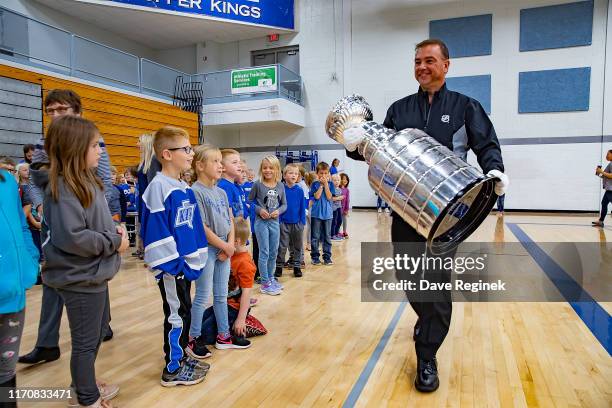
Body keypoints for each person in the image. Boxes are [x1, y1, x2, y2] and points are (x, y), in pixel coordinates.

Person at [342, 38, 508, 392]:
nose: (422, 67)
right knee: (408, 278)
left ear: (446, 65)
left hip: (448, 214)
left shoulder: (466, 107)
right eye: (417, 61)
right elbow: (377, 152)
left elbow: (487, 145)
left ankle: (427, 354)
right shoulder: (400, 110)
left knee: (434, 287)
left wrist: (495, 171)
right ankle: (426, 323)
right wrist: (354, 143)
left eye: (429, 61)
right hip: (404, 210)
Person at [32, 116, 128, 407]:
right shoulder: (62, 189)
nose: (101, 150)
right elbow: (73, 238)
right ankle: (86, 398)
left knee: (97, 332)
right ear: (75, 149)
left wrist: (115, 231)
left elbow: (96, 224)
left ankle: (81, 383)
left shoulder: (87, 182)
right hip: (79, 278)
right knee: (85, 343)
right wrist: (114, 242)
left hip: (93, 274)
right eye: (94, 145)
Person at [20, 89, 115, 367]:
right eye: (50, 111)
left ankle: (102, 325)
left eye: (61, 110)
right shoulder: (44, 142)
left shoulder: (92, 140)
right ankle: (47, 342)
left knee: (96, 274)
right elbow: (38, 181)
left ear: (77, 112)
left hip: (88, 213)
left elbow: (104, 181)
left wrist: (103, 218)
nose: (55, 115)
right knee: (54, 278)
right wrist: (39, 208)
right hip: (57, 214)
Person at [140, 126, 209, 387]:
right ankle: (173, 368)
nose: (192, 153)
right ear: (167, 154)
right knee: (176, 316)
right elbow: (157, 232)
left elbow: (190, 228)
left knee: (185, 312)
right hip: (173, 269)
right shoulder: (158, 188)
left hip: (184, 266)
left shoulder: (182, 186)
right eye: (187, 149)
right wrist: (175, 266)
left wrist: (194, 261)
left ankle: (180, 355)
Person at [189, 144, 250, 359]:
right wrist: (224, 246)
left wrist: (230, 246)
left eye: (219, 161)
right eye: (214, 161)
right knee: (203, 294)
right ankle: (193, 337)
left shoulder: (222, 192)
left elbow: (230, 220)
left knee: (221, 295)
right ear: (199, 165)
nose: (219, 166)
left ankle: (223, 335)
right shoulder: (195, 191)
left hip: (225, 249)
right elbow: (202, 227)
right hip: (208, 250)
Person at [0, 167, 39, 408]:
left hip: (13, 294)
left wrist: (29, 263)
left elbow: (22, 227)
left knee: (6, 368)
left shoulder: (6, 182)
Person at [249, 156, 287, 295]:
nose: (267, 170)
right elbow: (250, 202)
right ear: (261, 169)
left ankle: (271, 278)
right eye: (265, 167)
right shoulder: (257, 184)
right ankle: (264, 282)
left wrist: (278, 211)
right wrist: (259, 210)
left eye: (271, 167)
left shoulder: (280, 185)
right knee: (264, 252)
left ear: (277, 169)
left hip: (274, 222)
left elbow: (284, 204)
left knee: (273, 252)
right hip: (261, 223)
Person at [275, 163, 306, 278]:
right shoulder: (280, 189)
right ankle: (279, 266)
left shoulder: (299, 190)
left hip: (297, 223)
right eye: (291, 173)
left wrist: (302, 221)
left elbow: (302, 207)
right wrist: (279, 221)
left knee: (297, 246)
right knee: (282, 246)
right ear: (284, 175)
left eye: (296, 173)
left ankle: (297, 266)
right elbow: (278, 206)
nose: (294, 175)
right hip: (284, 223)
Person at [309, 162, 335, 266]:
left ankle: (327, 257)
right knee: (315, 236)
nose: (323, 175)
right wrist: (321, 185)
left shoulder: (331, 184)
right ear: (317, 173)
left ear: (328, 173)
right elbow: (317, 197)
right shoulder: (314, 184)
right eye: (321, 173)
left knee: (327, 236)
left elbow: (329, 197)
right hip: (316, 214)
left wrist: (326, 185)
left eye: (325, 173)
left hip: (328, 214)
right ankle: (315, 257)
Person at [218, 149, 244, 218]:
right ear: (223, 167)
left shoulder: (234, 185)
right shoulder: (225, 186)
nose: (239, 165)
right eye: (235, 162)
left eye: (239, 162)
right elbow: (228, 214)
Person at [592, 149, 612, 227]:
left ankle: (601, 221)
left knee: (604, 204)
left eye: (608, 154)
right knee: (604, 204)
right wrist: (599, 173)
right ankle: (601, 221)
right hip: (609, 189)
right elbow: (605, 176)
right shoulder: (610, 164)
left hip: (611, 190)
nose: (606, 156)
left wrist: (602, 172)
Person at [330, 174, 344, 241]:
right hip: (333, 208)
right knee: (334, 221)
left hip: (339, 207)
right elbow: (331, 198)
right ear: (331, 181)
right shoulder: (331, 189)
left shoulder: (340, 189)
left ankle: (336, 233)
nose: (336, 182)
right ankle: (332, 235)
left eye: (338, 180)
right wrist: (339, 198)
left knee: (339, 221)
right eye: (335, 180)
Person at [339, 173, 351, 239]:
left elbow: (347, 200)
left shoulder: (347, 190)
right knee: (338, 221)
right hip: (337, 208)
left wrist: (346, 209)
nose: (345, 180)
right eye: (343, 179)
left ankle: (344, 231)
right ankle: (337, 232)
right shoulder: (337, 189)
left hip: (344, 208)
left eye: (346, 179)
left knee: (344, 220)